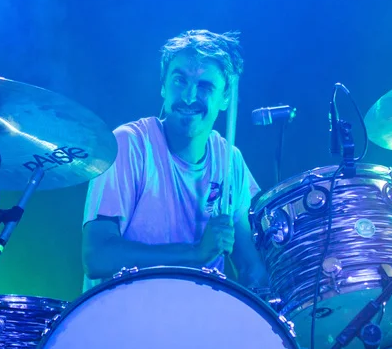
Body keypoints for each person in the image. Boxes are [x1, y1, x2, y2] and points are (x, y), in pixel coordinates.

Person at [81, 29, 270, 292]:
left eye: (205, 86)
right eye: (180, 81)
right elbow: (97, 256)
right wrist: (194, 253)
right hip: (123, 312)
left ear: (226, 97)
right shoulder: (129, 144)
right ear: (163, 86)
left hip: (198, 314)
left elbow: (251, 268)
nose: (189, 97)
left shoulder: (230, 161)